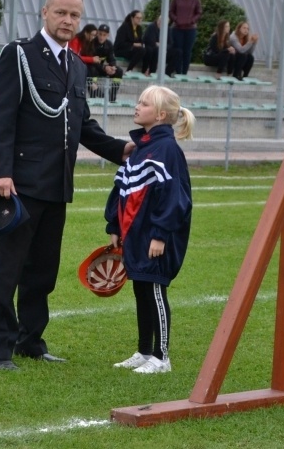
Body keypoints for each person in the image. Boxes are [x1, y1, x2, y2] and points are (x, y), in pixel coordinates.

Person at [0, 0, 134, 371]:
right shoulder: (19, 55)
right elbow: (0, 116)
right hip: (20, 185)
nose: (68, 21)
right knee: (9, 268)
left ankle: (30, 340)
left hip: (57, 185)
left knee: (43, 270)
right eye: (61, 13)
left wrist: (122, 150)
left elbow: (83, 126)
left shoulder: (76, 65)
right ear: (45, 13)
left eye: (75, 15)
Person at [105, 85, 194, 374]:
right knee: (141, 290)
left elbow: (174, 197)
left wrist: (160, 234)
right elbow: (122, 188)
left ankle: (161, 357)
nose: (137, 107)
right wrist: (114, 224)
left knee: (155, 290)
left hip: (155, 236)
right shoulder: (141, 147)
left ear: (160, 114)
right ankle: (144, 352)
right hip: (135, 233)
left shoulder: (167, 149)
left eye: (143, 104)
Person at [169, 0, 202, 75]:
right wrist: (176, 19)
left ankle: (184, 72)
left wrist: (192, 20)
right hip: (177, 28)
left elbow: (199, 12)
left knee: (187, 51)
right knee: (178, 50)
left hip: (190, 29)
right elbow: (171, 11)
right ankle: (178, 71)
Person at [90, 24, 123, 102]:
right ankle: (93, 95)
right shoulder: (91, 43)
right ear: (97, 33)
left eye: (104, 35)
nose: (101, 37)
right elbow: (92, 62)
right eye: (100, 34)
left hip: (102, 68)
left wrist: (112, 67)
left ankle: (112, 97)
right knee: (92, 70)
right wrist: (105, 68)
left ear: (107, 35)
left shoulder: (109, 44)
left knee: (119, 71)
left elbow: (111, 58)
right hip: (92, 67)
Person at [114, 10, 152, 76]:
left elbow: (141, 41)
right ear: (132, 18)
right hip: (121, 50)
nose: (140, 20)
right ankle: (129, 70)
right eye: (137, 18)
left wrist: (142, 44)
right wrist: (133, 44)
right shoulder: (124, 27)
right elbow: (120, 43)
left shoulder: (139, 28)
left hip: (133, 50)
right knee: (141, 50)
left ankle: (145, 71)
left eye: (141, 18)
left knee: (149, 50)